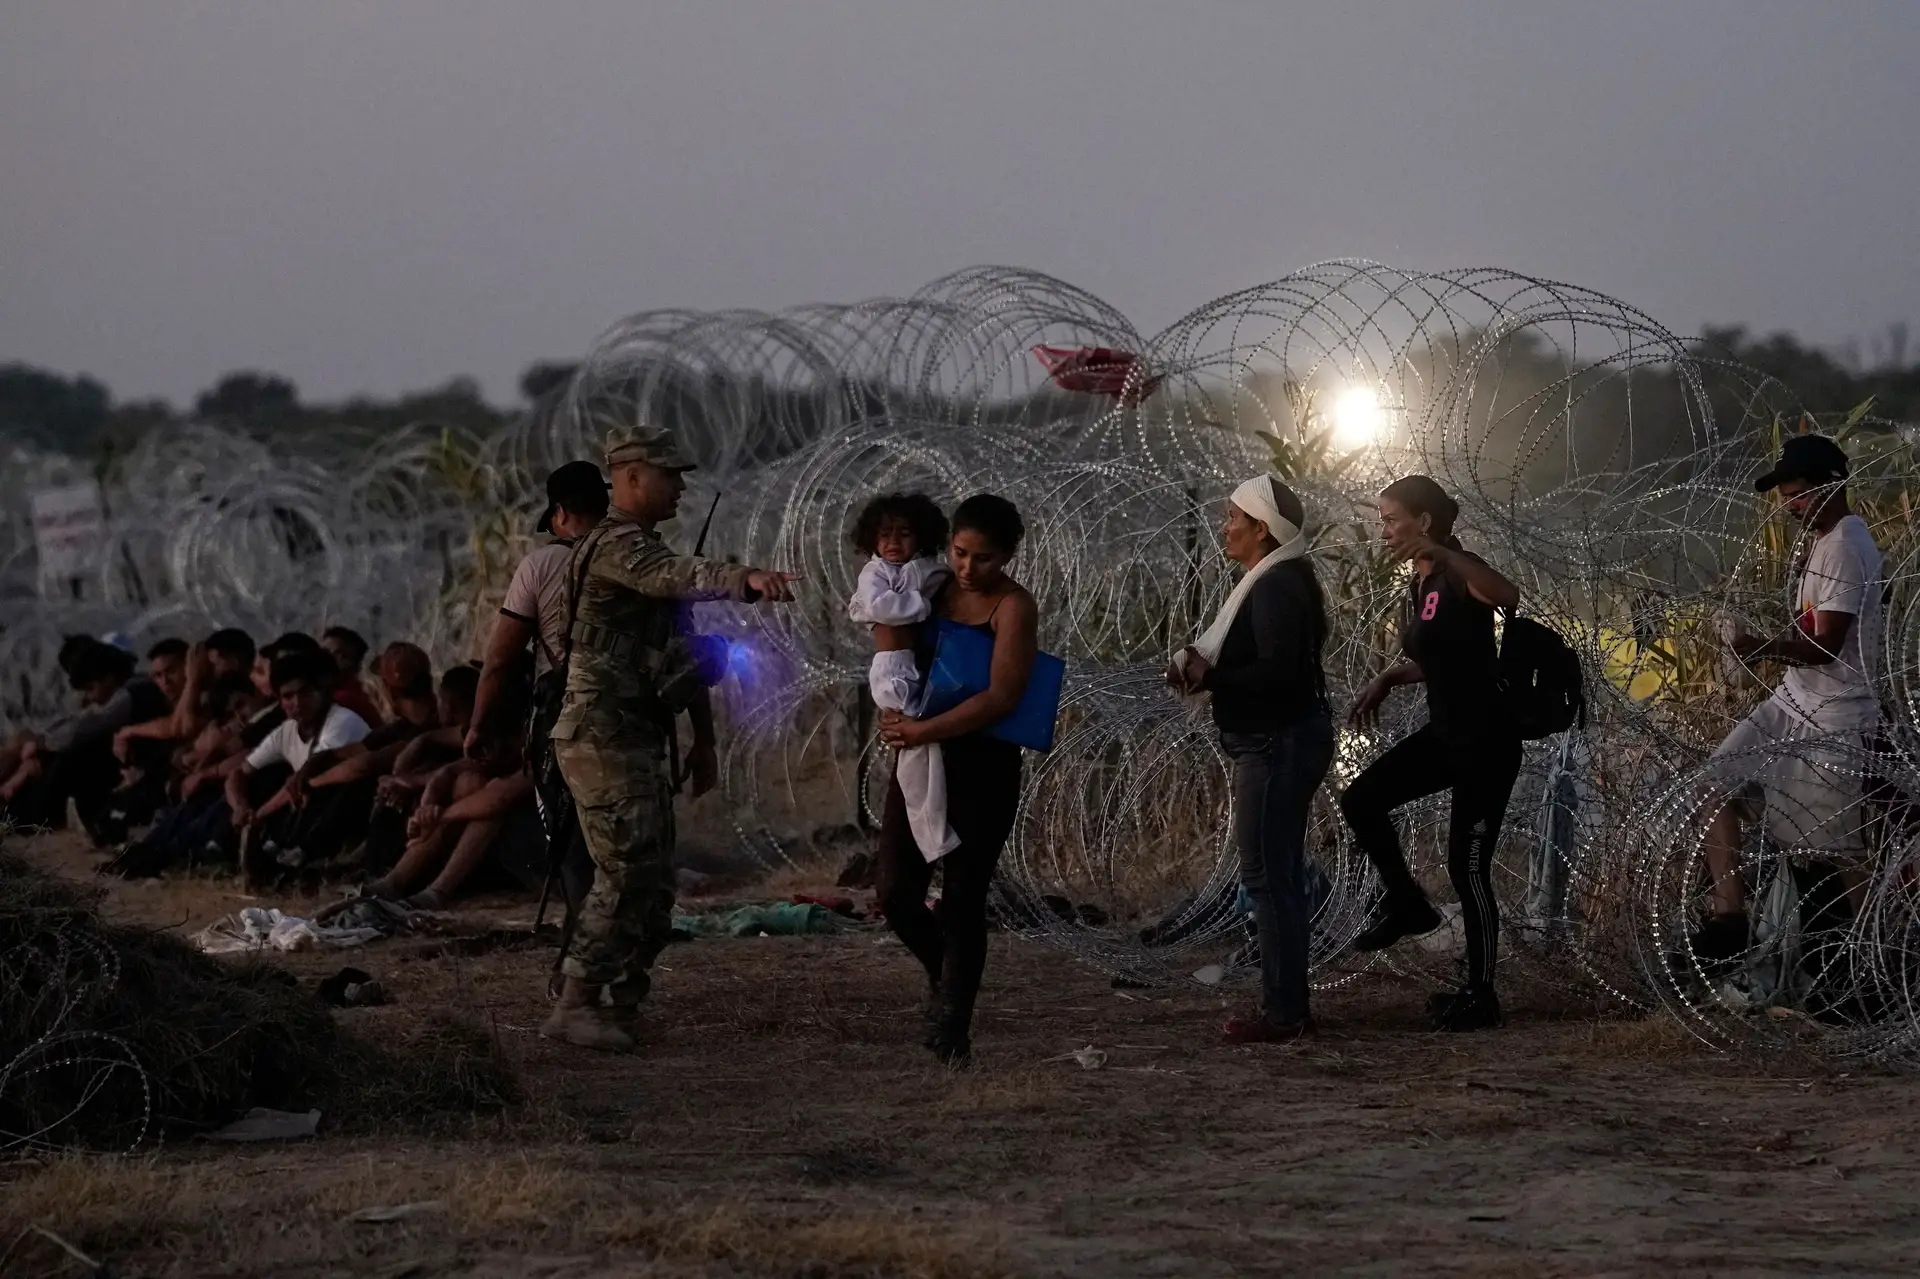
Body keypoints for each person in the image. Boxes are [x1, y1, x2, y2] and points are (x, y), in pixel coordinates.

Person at [543, 423, 797, 1052]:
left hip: (635, 732)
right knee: (626, 866)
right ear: (630, 477)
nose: (681, 486)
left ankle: (624, 1004)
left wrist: (703, 739)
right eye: (669, 474)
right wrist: (743, 579)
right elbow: (672, 575)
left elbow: (679, 656)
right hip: (601, 733)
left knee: (653, 878)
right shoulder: (615, 548)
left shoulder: (647, 555)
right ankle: (575, 1002)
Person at [1690, 434, 1885, 967]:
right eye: (1786, 497)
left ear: (1830, 486)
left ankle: (1879, 954)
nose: (1789, 507)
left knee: (1836, 850)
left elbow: (1825, 645)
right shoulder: (1824, 540)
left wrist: (1761, 647)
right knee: (1716, 781)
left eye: (1798, 495)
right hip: (1794, 700)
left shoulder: (1845, 545)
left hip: (1836, 713)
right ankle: (1730, 918)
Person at [1341, 475, 1522, 1032]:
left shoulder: (1455, 569)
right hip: (1447, 737)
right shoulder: (1422, 583)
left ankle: (1482, 995)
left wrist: (1444, 552)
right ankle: (1408, 904)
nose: (1385, 530)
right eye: (1381, 520)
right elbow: (1448, 658)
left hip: (1486, 743)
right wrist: (1393, 676)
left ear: (1424, 521)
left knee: (1468, 871)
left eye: (1392, 519)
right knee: (1362, 800)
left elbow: (1508, 596)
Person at [1168, 475, 1333, 1045]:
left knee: (1269, 879)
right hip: (1275, 742)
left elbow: (1277, 676)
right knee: (1275, 876)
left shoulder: (1275, 585)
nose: (1225, 527)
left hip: (1275, 743)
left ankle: (1284, 1013)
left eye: (1233, 517)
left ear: (1261, 529)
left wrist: (1210, 677)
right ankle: (1288, 1008)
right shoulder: (1276, 580)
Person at [876, 493, 1038, 1064]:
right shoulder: (935, 588)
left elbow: (1003, 696)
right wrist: (893, 709)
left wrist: (926, 730)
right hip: (923, 761)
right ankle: (945, 976)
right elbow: (893, 648)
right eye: (961, 552)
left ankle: (953, 1025)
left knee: (963, 898)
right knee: (895, 891)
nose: (969, 568)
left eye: (985, 558)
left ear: (1010, 556)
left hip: (982, 765)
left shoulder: (1013, 608)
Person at [848, 492, 958, 859]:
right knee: (915, 745)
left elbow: (943, 586)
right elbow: (881, 608)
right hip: (891, 670)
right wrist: (921, 605)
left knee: (924, 746)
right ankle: (932, 835)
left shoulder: (926, 568)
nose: (892, 543)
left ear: (923, 536)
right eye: (884, 535)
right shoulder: (875, 573)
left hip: (920, 665)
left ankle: (934, 831)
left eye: (904, 534)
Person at [226, 651, 371, 886]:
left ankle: (294, 855)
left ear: (322, 692)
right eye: (287, 696)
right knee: (264, 780)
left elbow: (312, 771)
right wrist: (241, 807)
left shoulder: (342, 721)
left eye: (305, 692)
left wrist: (259, 815)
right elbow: (239, 772)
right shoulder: (286, 731)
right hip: (304, 811)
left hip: (346, 811)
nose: (296, 702)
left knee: (311, 786)